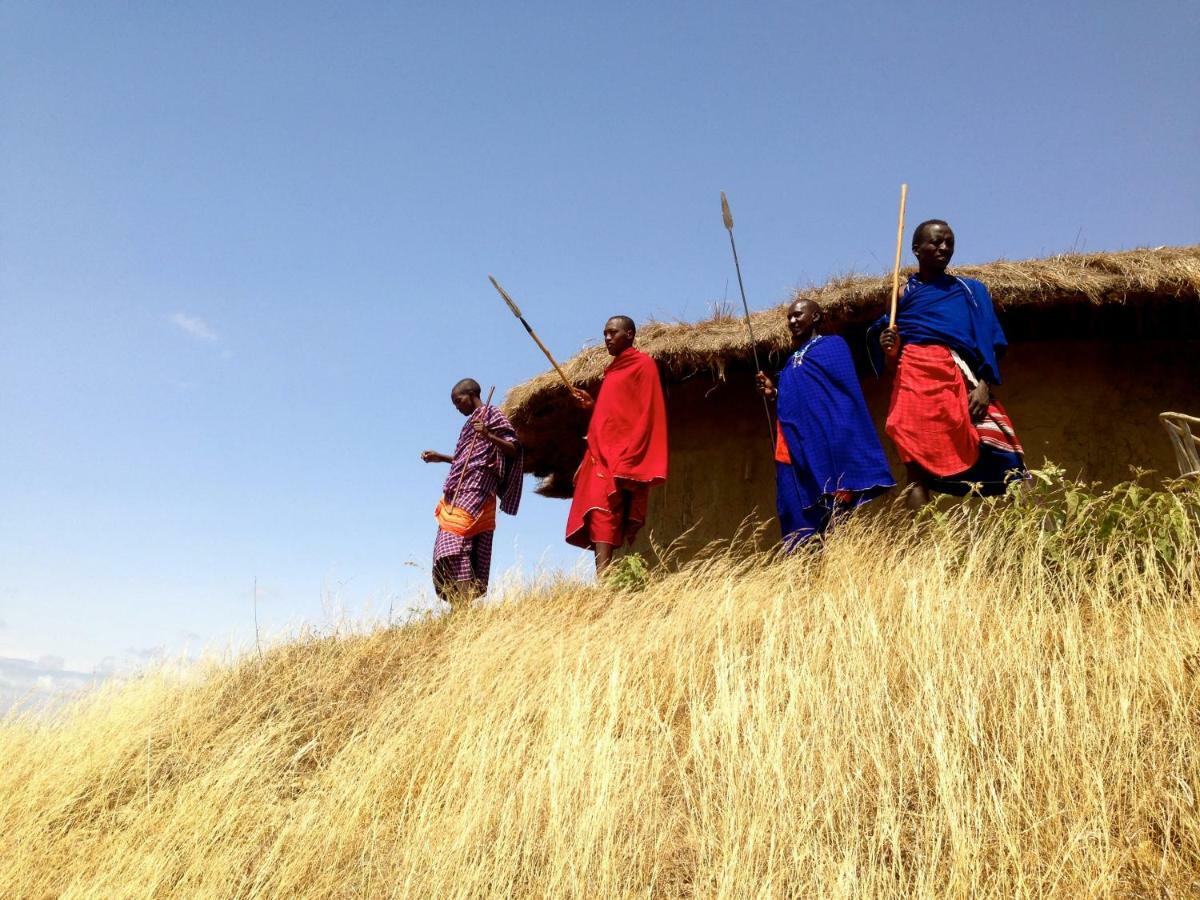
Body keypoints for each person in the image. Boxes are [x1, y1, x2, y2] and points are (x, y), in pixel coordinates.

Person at [868, 220, 1026, 509]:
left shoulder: (970, 291)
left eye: (949, 243)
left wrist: (983, 385)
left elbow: (990, 340)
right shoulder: (901, 295)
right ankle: (918, 550)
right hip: (912, 383)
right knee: (915, 473)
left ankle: (1037, 537)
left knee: (1009, 457)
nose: (943, 248)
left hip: (958, 378)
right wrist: (890, 347)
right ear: (916, 249)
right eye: (935, 242)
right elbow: (892, 362)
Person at [756, 298, 895, 546]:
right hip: (791, 448)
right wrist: (774, 393)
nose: (792, 320)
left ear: (816, 317)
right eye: (789, 317)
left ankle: (835, 565)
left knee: (834, 514)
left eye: (798, 315)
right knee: (794, 509)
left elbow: (839, 396)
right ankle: (805, 570)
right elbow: (797, 399)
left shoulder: (833, 346)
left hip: (825, 444)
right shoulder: (791, 361)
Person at [565, 316, 668, 573]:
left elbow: (647, 411)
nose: (607, 338)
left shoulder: (643, 365)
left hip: (621, 453)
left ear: (630, 334)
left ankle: (607, 581)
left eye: (613, 332)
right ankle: (605, 580)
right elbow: (612, 413)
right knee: (599, 511)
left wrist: (631, 453)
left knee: (608, 510)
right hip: (600, 452)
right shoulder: (611, 371)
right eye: (605, 334)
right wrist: (592, 406)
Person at [421, 378, 523, 607]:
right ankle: (461, 608)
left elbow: (514, 449)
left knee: (454, 540)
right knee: (450, 549)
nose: (457, 407)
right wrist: (441, 458)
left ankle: (464, 606)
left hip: (478, 489)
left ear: (471, 394)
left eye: (458, 401)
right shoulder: (469, 425)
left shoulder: (492, 415)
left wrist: (488, 435)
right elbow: (467, 459)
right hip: (459, 489)